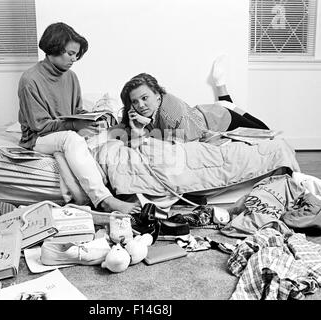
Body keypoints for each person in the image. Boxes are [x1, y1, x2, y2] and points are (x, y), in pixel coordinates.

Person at [17, 22, 140, 214]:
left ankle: (124, 189)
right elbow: (39, 125)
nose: (74, 59)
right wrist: (74, 125)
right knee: (71, 139)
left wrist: (94, 120)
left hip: (64, 129)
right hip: (38, 138)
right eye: (70, 53)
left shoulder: (71, 77)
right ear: (53, 48)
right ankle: (103, 199)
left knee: (112, 134)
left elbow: (75, 111)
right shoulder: (29, 80)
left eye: (77, 55)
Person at [118, 55, 269, 145]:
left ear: (157, 94)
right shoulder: (147, 111)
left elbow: (183, 145)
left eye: (144, 98)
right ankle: (223, 96)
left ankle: (223, 94)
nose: (140, 105)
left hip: (221, 118)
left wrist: (144, 132)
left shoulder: (171, 113)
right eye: (135, 102)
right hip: (202, 112)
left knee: (267, 134)